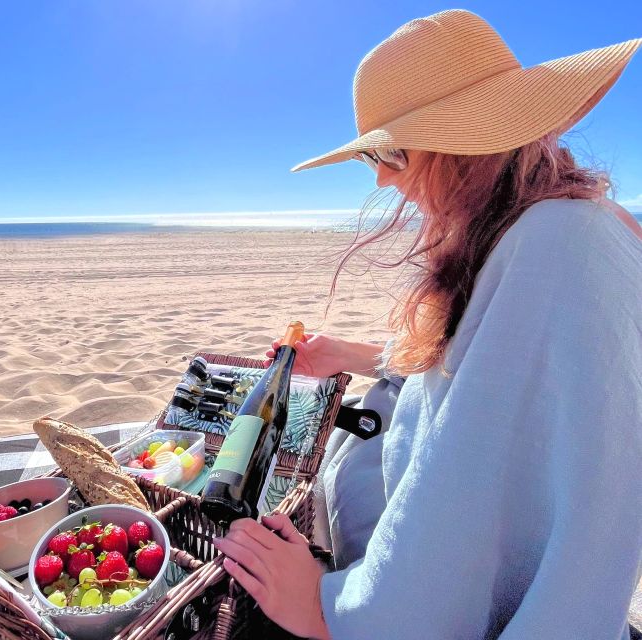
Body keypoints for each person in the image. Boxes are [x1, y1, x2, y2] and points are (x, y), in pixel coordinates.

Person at [212, 9, 642, 639]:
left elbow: (464, 505)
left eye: (390, 152)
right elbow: (490, 372)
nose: (384, 176)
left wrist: (329, 610)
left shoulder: (553, 247)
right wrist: (350, 354)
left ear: (466, 140)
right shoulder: (559, 223)